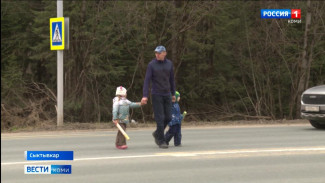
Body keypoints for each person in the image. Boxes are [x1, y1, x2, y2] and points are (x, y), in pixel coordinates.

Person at [141, 45, 176, 149]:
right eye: (156, 53)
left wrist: (173, 93)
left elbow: (172, 80)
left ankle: (157, 133)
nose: (157, 55)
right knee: (160, 118)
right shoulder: (152, 65)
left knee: (168, 117)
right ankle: (161, 140)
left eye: (159, 53)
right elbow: (147, 81)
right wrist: (145, 95)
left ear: (164, 53)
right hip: (156, 94)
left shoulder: (169, 64)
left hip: (167, 94)